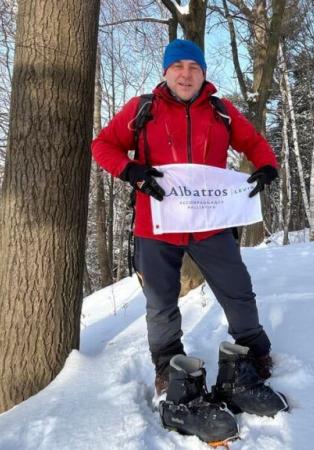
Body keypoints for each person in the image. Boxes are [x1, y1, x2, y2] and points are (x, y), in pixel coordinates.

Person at [91, 39, 279, 397]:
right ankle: (167, 366)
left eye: (193, 67)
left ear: (203, 73)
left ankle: (255, 353)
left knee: (237, 291)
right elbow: (103, 145)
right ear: (166, 72)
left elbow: (253, 141)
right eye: (178, 67)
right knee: (161, 302)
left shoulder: (221, 111)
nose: (186, 74)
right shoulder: (142, 108)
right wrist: (131, 171)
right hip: (156, 225)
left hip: (212, 224)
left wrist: (268, 166)